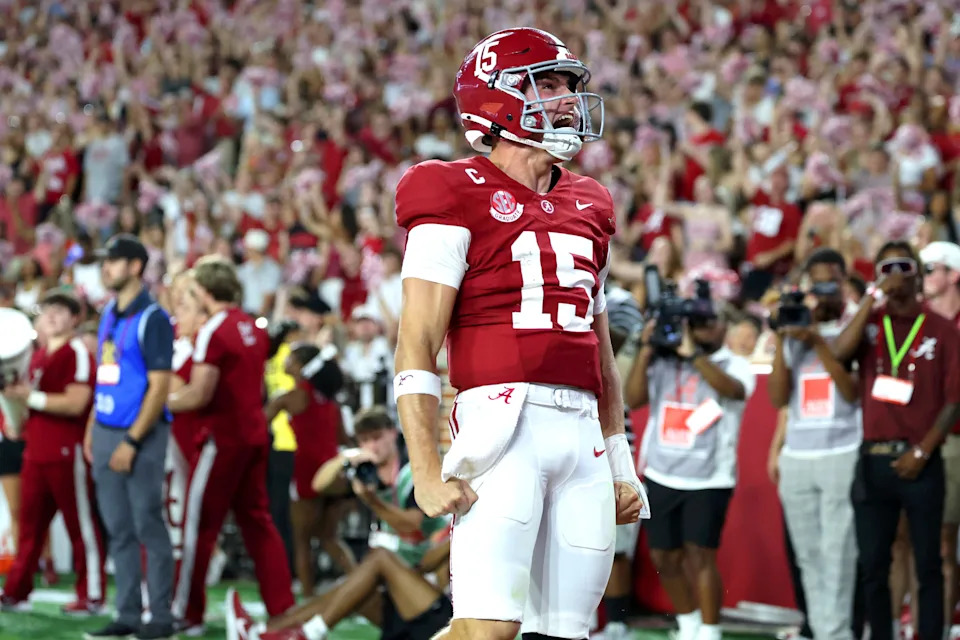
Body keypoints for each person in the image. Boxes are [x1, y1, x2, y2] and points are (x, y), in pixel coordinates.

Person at [392, 27, 646, 640]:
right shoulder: (449, 189)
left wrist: (620, 459)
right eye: (547, 85)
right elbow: (417, 341)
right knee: (488, 630)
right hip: (502, 425)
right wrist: (425, 468)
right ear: (496, 99)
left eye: (568, 86)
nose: (567, 100)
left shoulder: (592, 202)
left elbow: (601, 353)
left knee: (566, 632)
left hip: (581, 432)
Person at [226, 408, 454, 640]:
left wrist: (371, 500)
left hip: (434, 605)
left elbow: (412, 531)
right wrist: (346, 458)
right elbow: (319, 484)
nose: (372, 446)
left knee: (379, 559)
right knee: (346, 590)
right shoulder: (367, 473)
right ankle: (262, 632)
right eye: (364, 440)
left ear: (393, 433)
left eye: (376, 438)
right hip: (404, 591)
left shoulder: (411, 475)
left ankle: (307, 634)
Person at [833, 241, 960, 640]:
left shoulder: (941, 328)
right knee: (873, 564)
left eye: (902, 265)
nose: (894, 274)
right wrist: (870, 299)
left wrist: (923, 450)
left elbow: (955, 399)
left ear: (918, 274)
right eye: (885, 267)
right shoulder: (871, 323)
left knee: (928, 562)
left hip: (922, 459)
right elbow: (838, 353)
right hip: (873, 458)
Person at [166, 256, 294, 630]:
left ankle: (187, 612)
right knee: (258, 523)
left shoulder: (214, 329)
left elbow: (199, 393)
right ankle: (282, 607)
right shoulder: (250, 325)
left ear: (205, 291)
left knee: (199, 527)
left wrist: (158, 403)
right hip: (253, 435)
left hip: (221, 440)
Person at [626, 306, 755, 640]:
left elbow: (735, 391)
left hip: (710, 478)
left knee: (701, 556)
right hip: (661, 473)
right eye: (694, 325)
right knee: (663, 557)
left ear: (724, 326)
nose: (700, 331)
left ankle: (710, 632)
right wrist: (646, 350)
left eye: (708, 324)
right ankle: (688, 624)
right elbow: (633, 399)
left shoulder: (734, 363)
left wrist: (694, 355)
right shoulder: (663, 360)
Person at [83, 233, 176, 640]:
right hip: (106, 429)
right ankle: (127, 614)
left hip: (140, 435)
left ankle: (160, 617)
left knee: (148, 524)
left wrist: (133, 441)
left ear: (135, 267)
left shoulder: (153, 318)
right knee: (118, 527)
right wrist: (93, 426)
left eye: (114, 261)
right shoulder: (109, 312)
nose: (106, 268)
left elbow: (159, 387)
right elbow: (106, 377)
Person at [767, 249, 860, 640]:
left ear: (842, 283)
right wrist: (781, 339)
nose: (821, 292)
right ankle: (824, 631)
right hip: (798, 455)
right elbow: (777, 397)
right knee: (808, 555)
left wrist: (817, 340)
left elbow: (852, 392)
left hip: (841, 451)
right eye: (815, 283)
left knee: (839, 553)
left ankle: (837, 632)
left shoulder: (853, 327)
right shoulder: (794, 327)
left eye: (829, 283)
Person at [0, 288, 105, 614]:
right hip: (36, 451)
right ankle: (16, 591)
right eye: (48, 309)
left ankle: (92, 595)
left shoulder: (76, 351)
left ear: (75, 318)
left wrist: (28, 398)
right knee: (29, 528)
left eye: (61, 310)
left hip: (65, 451)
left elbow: (76, 402)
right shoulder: (39, 355)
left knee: (80, 526)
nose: (52, 315)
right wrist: (16, 417)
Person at [264, 343, 352, 596]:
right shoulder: (330, 399)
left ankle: (308, 596)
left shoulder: (291, 396)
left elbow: (258, 424)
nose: (286, 362)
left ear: (302, 366)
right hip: (334, 473)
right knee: (329, 538)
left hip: (307, 472)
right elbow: (343, 439)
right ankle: (363, 584)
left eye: (291, 358)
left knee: (302, 540)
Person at [164, 270, 211, 636]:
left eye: (185, 305)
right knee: (175, 520)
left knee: (185, 524)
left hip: (192, 442)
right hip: (176, 441)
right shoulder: (182, 343)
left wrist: (157, 398)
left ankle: (187, 606)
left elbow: (180, 389)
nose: (177, 313)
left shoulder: (202, 346)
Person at [919, 240, 960, 628]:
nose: (924, 277)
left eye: (931, 269)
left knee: (944, 542)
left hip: (954, 438)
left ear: (954, 274)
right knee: (935, 543)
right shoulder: (914, 320)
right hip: (925, 439)